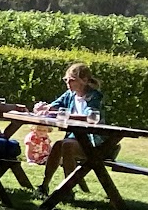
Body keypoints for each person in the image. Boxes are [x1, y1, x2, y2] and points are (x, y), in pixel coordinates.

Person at [37, 62, 109, 194]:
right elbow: (54, 106)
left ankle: (67, 189)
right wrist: (43, 107)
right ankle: (44, 185)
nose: (68, 83)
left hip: (93, 141)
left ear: (84, 80)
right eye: (66, 80)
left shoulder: (95, 96)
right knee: (58, 145)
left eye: (72, 80)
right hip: (75, 137)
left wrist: (66, 116)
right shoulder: (70, 94)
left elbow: (92, 117)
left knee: (67, 146)